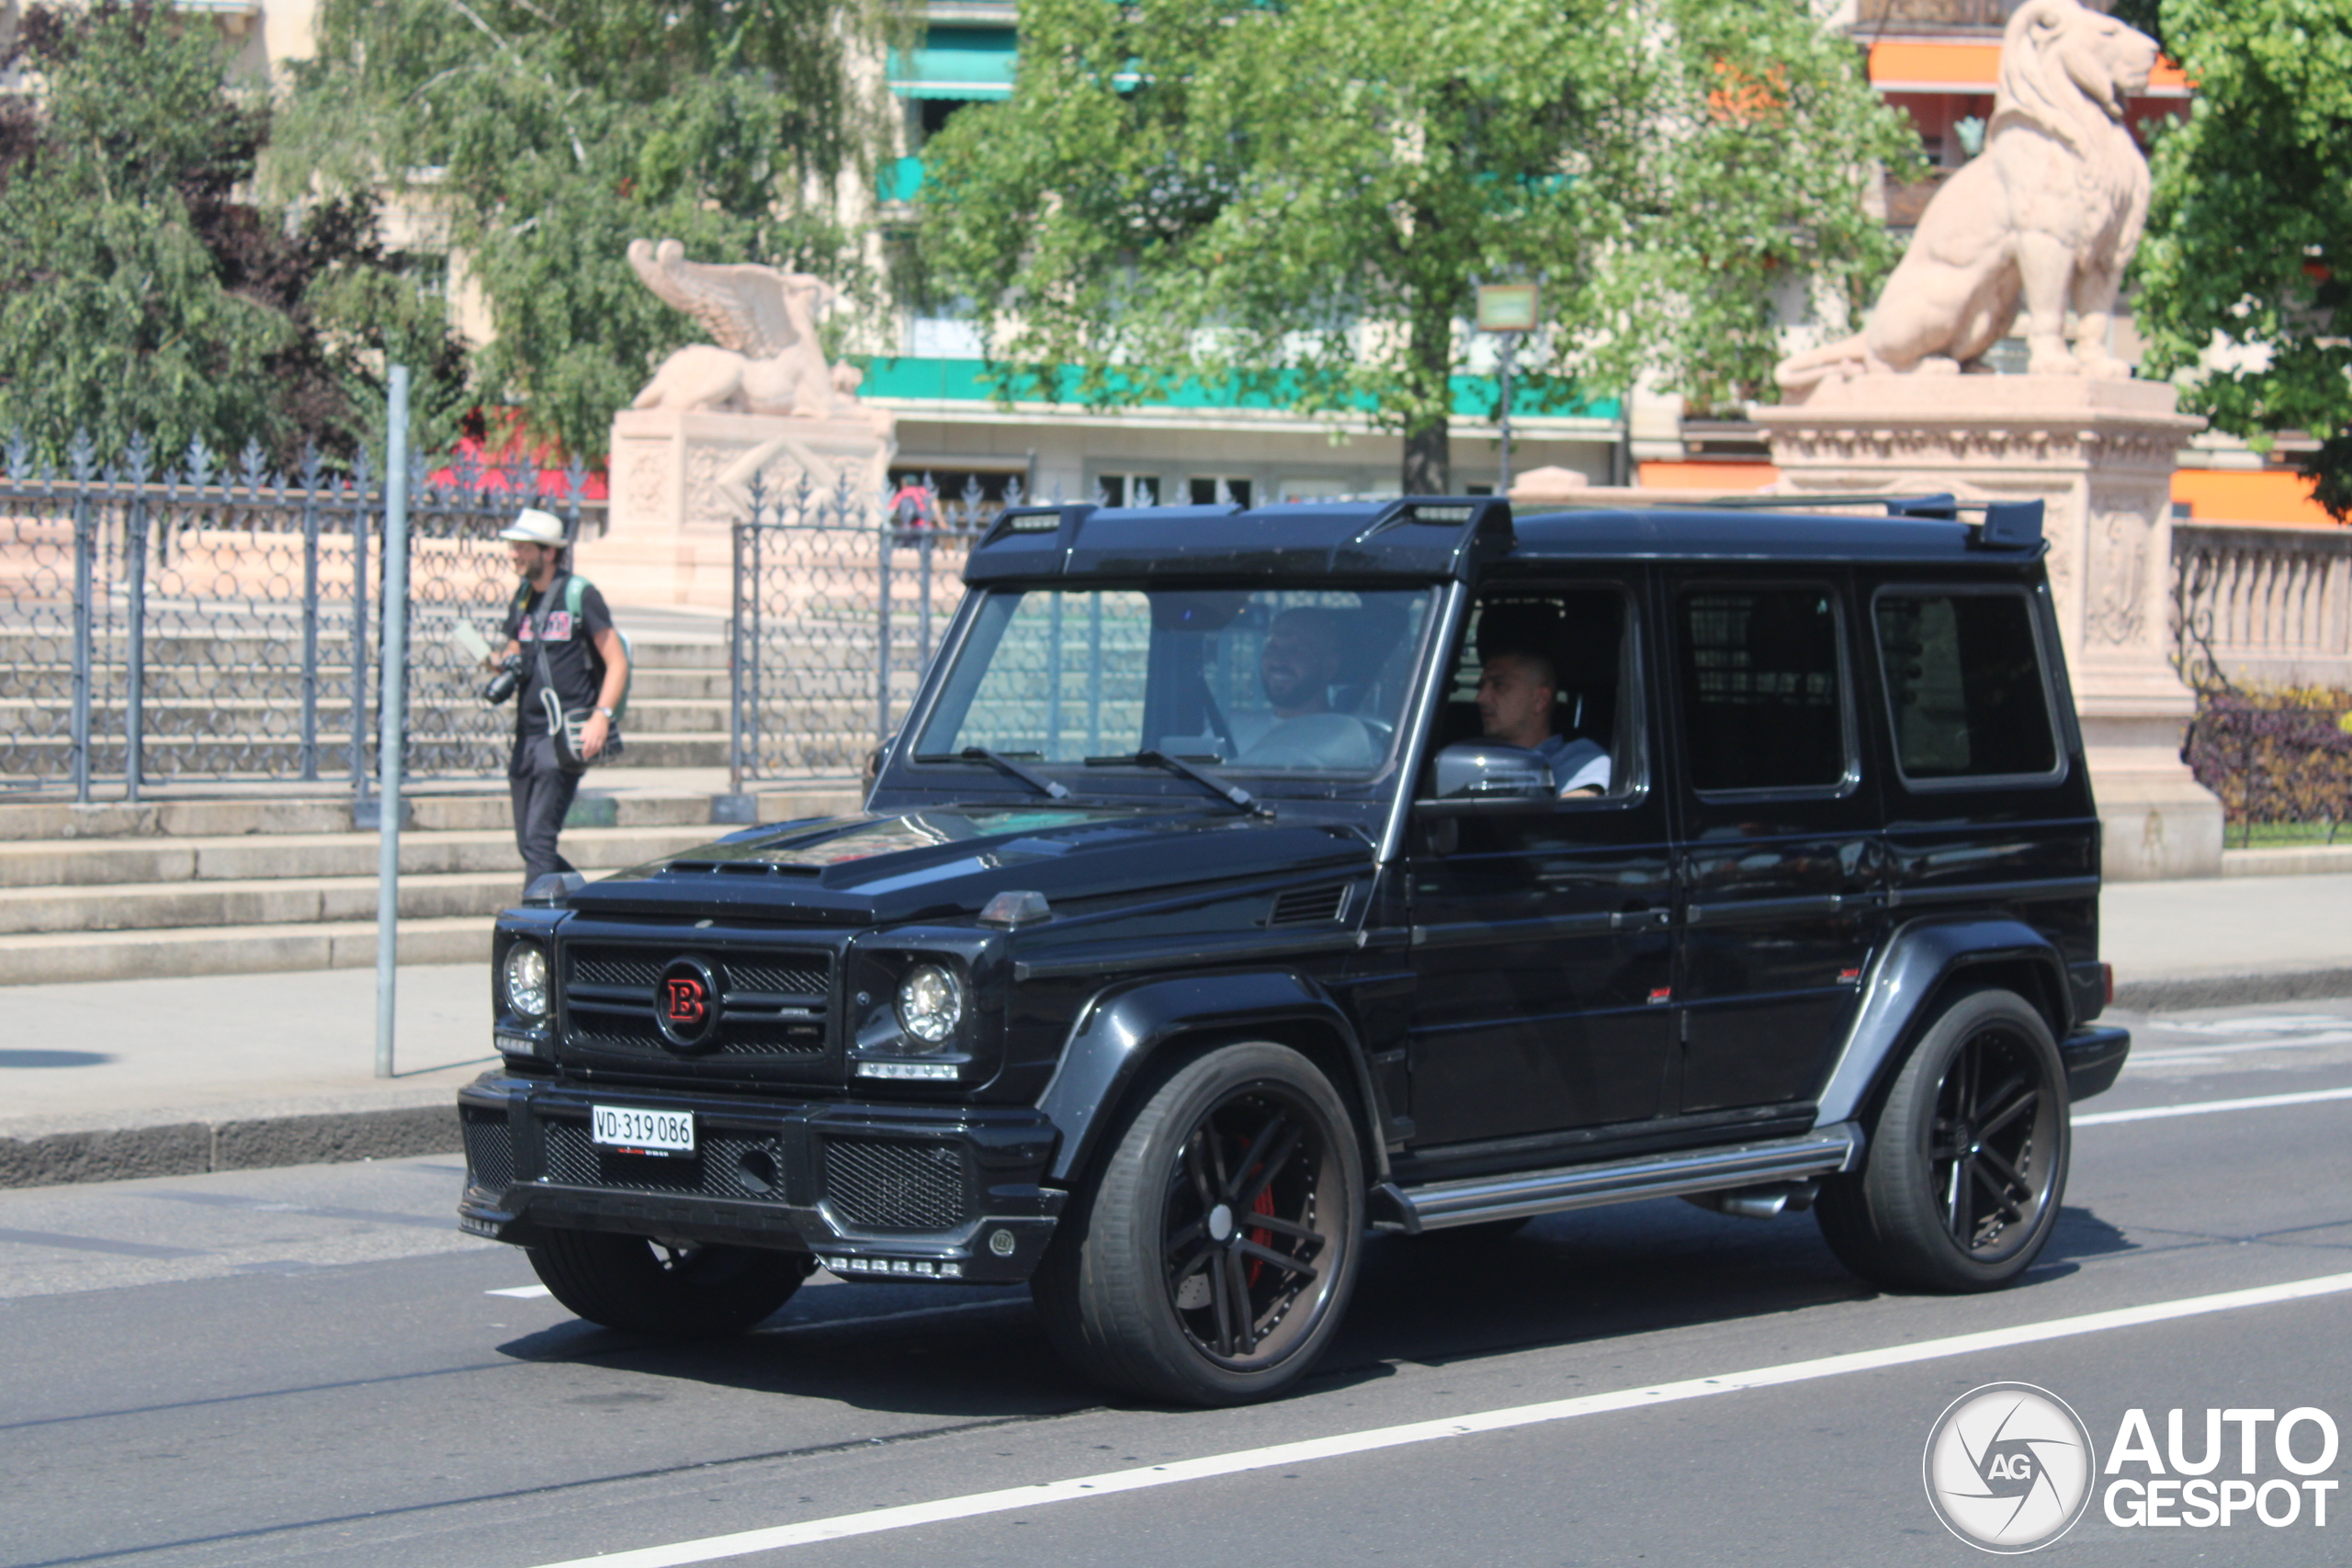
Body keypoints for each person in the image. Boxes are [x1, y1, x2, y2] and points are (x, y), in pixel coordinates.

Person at [487, 509, 629, 893]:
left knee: (538, 840)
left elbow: (617, 661)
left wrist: (601, 716)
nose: (513, 554)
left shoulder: (579, 594)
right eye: (513, 546)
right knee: (528, 843)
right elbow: (514, 649)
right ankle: (587, 896)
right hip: (527, 735)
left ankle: (532, 927)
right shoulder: (523, 598)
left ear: (548, 552)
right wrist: (496, 662)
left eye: (522, 547)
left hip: (565, 734)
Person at [1475, 646, 1611, 796]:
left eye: (1499, 685)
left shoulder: (1577, 760)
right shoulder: (1474, 759)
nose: (1481, 698)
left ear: (1540, 700)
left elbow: (1570, 817)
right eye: (1480, 686)